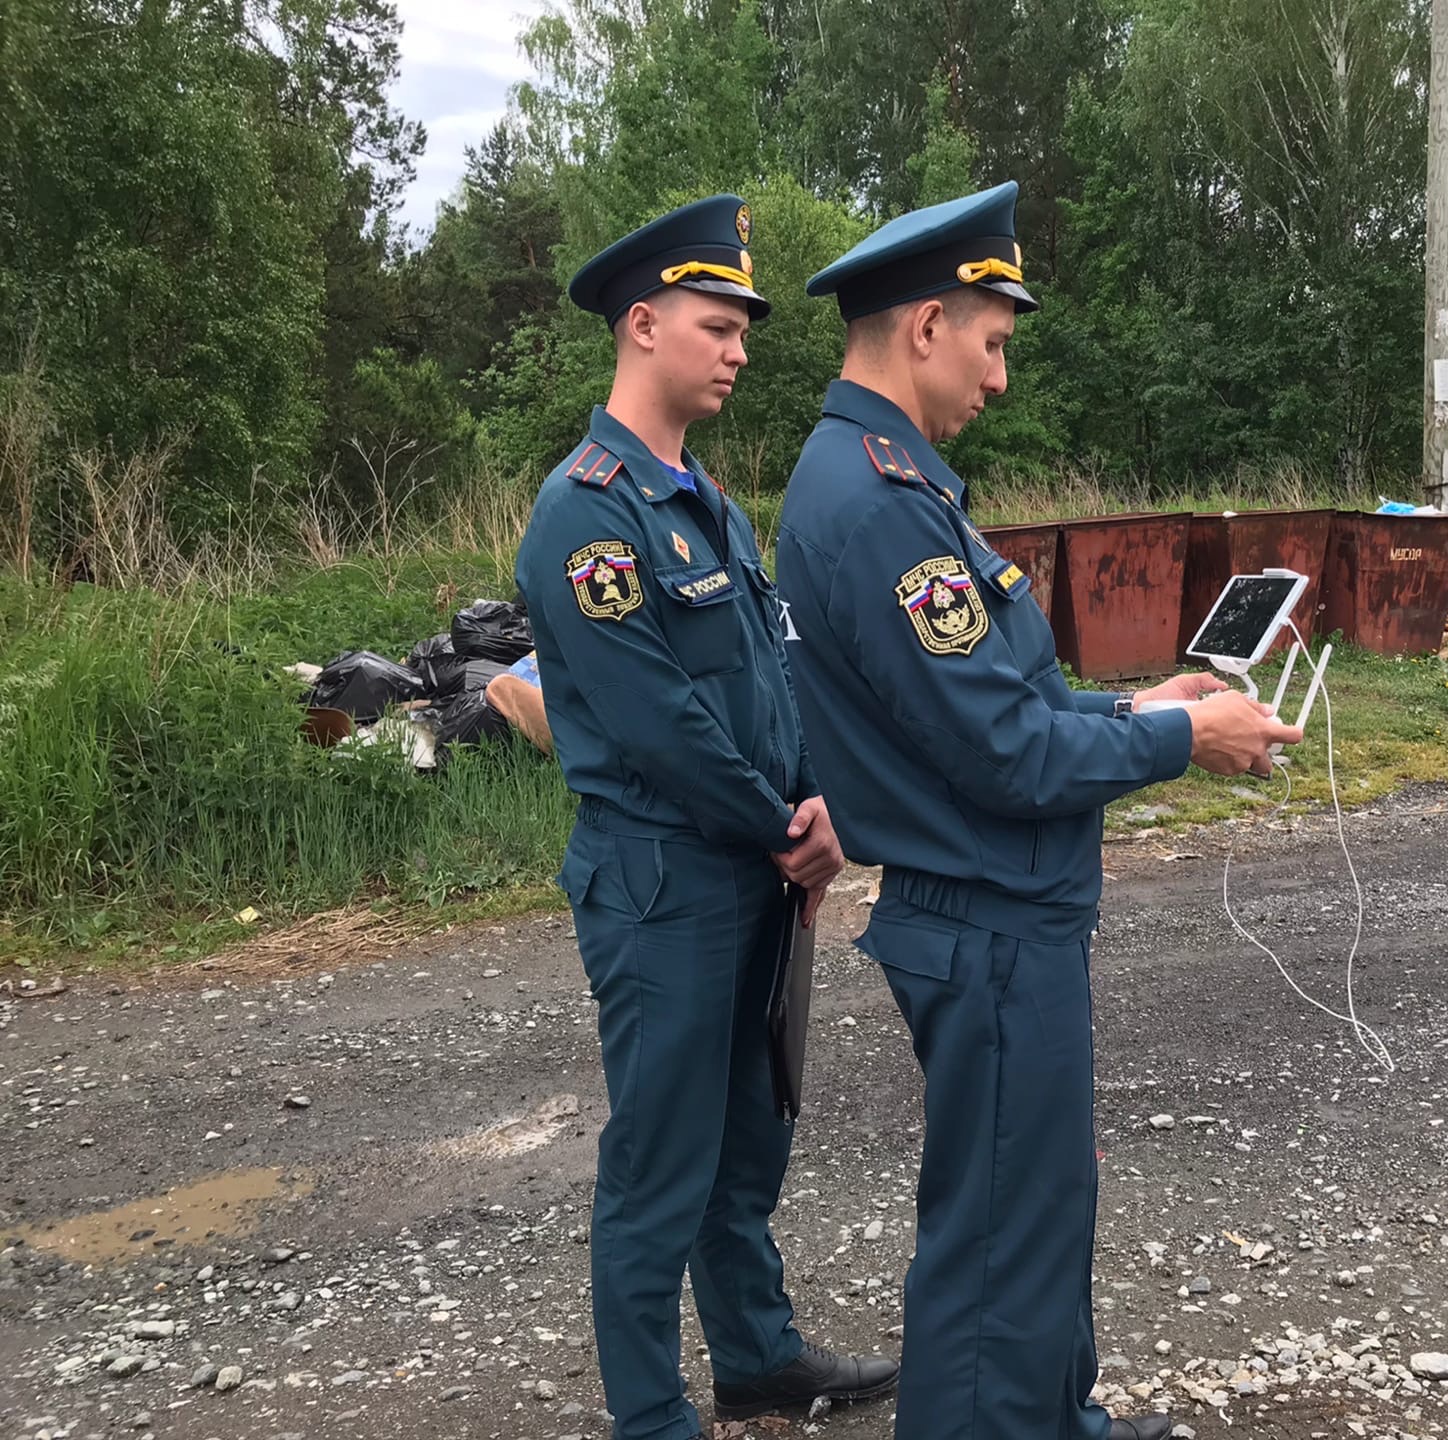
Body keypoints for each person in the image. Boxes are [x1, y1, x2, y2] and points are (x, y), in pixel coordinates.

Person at [774, 181, 1302, 1440]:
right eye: (993, 343)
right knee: (1000, 1237)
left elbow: (992, 705)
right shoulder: (879, 505)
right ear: (926, 326)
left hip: (1000, 910)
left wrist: (1133, 706)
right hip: (986, 918)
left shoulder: (888, 483)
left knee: (1042, 1201)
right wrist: (1185, 738)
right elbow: (1006, 756)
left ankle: (1060, 1421)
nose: (1000, 378)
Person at [514, 194, 899, 1440]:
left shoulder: (707, 504)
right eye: (717, 326)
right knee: (659, 1164)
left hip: (754, 869)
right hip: (666, 882)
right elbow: (658, 723)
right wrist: (786, 828)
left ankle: (757, 1359)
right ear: (642, 325)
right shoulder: (587, 513)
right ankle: (651, 1416)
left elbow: (775, 674)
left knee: (745, 1144)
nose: (739, 350)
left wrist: (824, 800)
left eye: (742, 330)